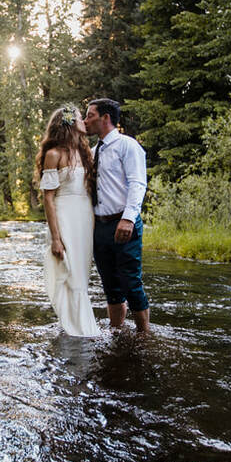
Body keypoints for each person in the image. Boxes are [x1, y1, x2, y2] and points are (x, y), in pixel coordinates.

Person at [83, 98, 150, 332]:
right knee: (110, 285)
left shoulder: (127, 146)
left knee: (131, 282)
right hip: (99, 227)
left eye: (90, 115)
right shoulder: (92, 152)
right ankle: (116, 331)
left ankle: (144, 336)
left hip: (123, 222)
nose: (85, 120)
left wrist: (129, 218)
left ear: (106, 118)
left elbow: (138, 183)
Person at [36, 105, 102, 337]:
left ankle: (80, 324)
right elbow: (48, 199)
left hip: (85, 218)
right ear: (69, 123)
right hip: (64, 218)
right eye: (79, 118)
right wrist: (56, 238)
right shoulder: (54, 154)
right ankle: (77, 328)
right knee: (70, 270)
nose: (84, 120)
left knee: (81, 274)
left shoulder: (86, 153)